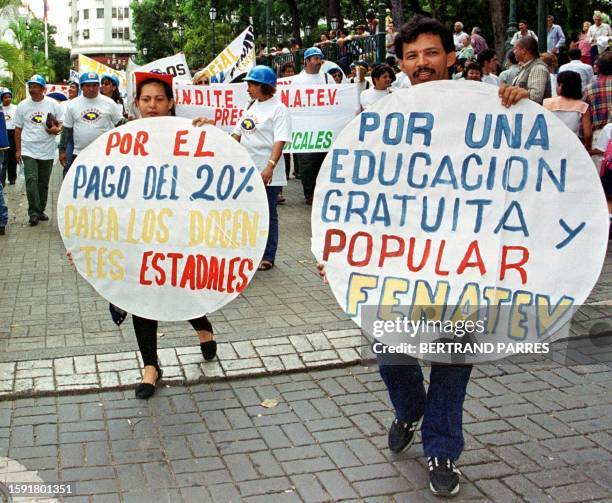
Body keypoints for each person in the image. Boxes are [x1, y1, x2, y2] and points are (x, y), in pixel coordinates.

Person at [318, 14, 530, 498]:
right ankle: (410, 409)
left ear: (450, 56)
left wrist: (524, 108)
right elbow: (354, 185)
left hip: (465, 263)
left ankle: (441, 448)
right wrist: (336, 249)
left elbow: (530, 159)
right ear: (403, 63)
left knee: (454, 358)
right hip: (397, 262)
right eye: (412, 56)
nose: (422, 63)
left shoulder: (489, 106)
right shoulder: (382, 115)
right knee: (391, 349)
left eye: (431, 53)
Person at [77, 71, 218, 400]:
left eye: (158, 99)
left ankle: (202, 326)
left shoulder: (190, 133)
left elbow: (218, 171)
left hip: (179, 229)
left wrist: (209, 135)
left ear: (171, 103)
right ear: (136, 104)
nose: (152, 106)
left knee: (178, 286)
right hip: (138, 230)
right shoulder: (123, 138)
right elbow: (107, 186)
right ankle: (151, 367)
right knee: (142, 295)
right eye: (145, 100)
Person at [194, 65, 291, 272]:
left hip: (267, 171)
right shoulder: (252, 106)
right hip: (248, 169)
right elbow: (237, 135)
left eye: (251, 84)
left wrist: (270, 166)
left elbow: (280, 141)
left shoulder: (278, 109)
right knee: (250, 212)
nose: (247, 88)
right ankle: (251, 251)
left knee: (268, 212)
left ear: (263, 86)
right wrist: (214, 134)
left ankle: (268, 255)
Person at [13, 74, 62, 226]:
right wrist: (18, 150)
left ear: (43, 89)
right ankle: (33, 212)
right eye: (30, 86)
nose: (32, 89)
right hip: (29, 149)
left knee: (44, 182)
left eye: (35, 87)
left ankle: (40, 210)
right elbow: (18, 130)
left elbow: (61, 124)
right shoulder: (22, 106)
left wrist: (56, 130)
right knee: (31, 180)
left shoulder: (53, 104)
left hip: (47, 150)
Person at [59, 72, 124, 177]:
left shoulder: (109, 103)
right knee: (77, 182)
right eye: (88, 85)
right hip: (79, 153)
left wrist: (134, 123)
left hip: (103, 154)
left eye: (94, 85)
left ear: (98, 86)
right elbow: (66, 129)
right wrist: (62, 151)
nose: (91, 88)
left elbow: (120, 124)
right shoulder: (72, 105)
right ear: (82, 87)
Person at [292, 47, 332, 205]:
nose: (319, 62)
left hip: (325, 128)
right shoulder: (297, 81)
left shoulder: (327, 78)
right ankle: (309, 193)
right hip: (306, 129)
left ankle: (322, 192)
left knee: (324, 161)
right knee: (307, 162)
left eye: (320, 58)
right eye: (315, 58)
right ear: (307, 61)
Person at [543, 71, 592, 149]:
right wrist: (587, 145)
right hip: (572, 146)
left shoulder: (546, 103)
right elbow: (588, 134)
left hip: (550, 145)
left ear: (560, 86)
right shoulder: (583, 107)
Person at [584, 51, 612, 167]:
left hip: (599, 138)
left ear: (598, 68)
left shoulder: (589, 89)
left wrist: (587, 144)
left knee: (601, 178)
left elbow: (586, 126)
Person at [511, 36, 551, 104]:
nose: (513, 52)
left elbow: (535, 96)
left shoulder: (538, 68)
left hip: (533, 113)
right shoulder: (527, 67)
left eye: (515, 49)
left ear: (523, 50)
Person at [0, 88, 17, 186]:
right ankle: (2, 180)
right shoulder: (0, 108)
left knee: (12, 157)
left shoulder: (15, 108)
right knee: (4, 158)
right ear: (2, 98)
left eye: (9, 97)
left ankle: (12, 178)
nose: (8, 99)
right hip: (3, 133)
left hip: (13, 133)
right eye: (5, 97)